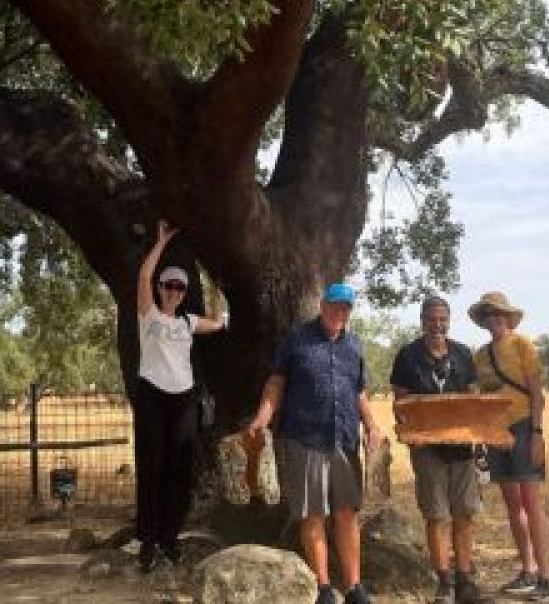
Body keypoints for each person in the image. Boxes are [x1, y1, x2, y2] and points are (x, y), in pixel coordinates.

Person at [247, 282, 384, 604]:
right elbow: (277, 382)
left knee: (347, 513)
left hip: (345, 439)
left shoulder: (355, 346)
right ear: (322, 306)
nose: (340, 312)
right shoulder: (297, 340)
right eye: (335, 305)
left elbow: (359, 391)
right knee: (313, 515)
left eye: (346, 307)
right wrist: (261, 418)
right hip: (305, 437)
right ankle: (323, 587)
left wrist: (372, 424)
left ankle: (354, 587)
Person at [133, 220, 229, 573]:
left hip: (183, 399)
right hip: (152, 396)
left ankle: (170, 538)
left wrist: (216, 284)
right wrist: (160, 243)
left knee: (179, 470)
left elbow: (219, 322)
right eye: (168, 285)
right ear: (160, 289)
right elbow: (143, 277)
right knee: (152, 467)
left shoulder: (188, 322)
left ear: (184, 291)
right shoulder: (149, 316)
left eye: (179, 287)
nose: (173, 291)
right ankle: (147, 541)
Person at [389, 294, 490, 604]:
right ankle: (443, 583)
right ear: (422, 320)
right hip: (428, 450)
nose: (437, 325)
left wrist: (479, 439)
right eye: (432, 319)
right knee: (436, 515)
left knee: (466, 514)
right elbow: (400, 402)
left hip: (461, 447)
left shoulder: (462, 354)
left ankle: (464, 581)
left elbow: (473, 399)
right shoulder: (408, 355)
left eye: (442, 319)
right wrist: (411, 432)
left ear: (449, 321)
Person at [470, 292, 549, 602]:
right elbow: (479, 399)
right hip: (495, 432)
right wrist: (480, 438)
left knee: (531, 501)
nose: (495, 318)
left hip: (523, 427)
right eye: (489, 314)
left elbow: (537, 394)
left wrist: (537, 433)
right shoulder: (479, 355)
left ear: (508, 317)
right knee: (512, 503)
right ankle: (528, 569)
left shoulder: (522, 344)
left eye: (500, 313)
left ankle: (547, 577)